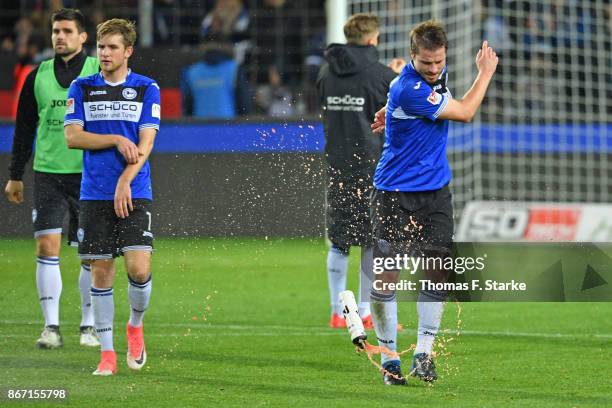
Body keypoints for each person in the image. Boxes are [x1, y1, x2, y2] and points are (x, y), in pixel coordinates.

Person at [369, 20, 498, 385]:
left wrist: (389, 109)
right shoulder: (410, 87)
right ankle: (390, 358)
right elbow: (465, 112)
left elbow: (405, 96)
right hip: (394, 194)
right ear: (413, 57)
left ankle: (424, 354)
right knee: (385, 279)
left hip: (436, 193)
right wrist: (485, 73)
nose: (434, 69)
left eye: (439, 62)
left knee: (438, 270)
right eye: (427, 63)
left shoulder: (419, 84)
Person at [64, 18, 161, 376]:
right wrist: (116, 140)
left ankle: (134, 326)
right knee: (100, 273)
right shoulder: (82, 87)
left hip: (135, 190)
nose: (104, 53)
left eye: (112, 47)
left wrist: (125, 180)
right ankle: (107, 355)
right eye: (101, 47)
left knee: (139, 268)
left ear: (128, 51)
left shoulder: (147, 88)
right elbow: (73, 137)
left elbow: (146, 144)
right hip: (94, 194)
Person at [4, 8, 100, 349]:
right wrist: (15, 175)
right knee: (46, 246)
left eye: (67, 31)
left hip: (89, 176)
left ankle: (88, 327)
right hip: (48, 174)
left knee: (89, 253)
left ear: (83, 37)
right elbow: (25, 128)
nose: (59, 36)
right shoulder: (37, 75)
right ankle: (51, 328)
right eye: (56, 31)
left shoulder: (97, 73)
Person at [316, 13, 404, 330]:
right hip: (373, 167)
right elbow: (389, 116)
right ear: (372, 40)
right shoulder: (381, 76)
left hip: (337, 165)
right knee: (372, 241)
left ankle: (337, 313)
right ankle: (364, 312)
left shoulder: (326, 72)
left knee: (339, 242)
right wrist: (390, 79)